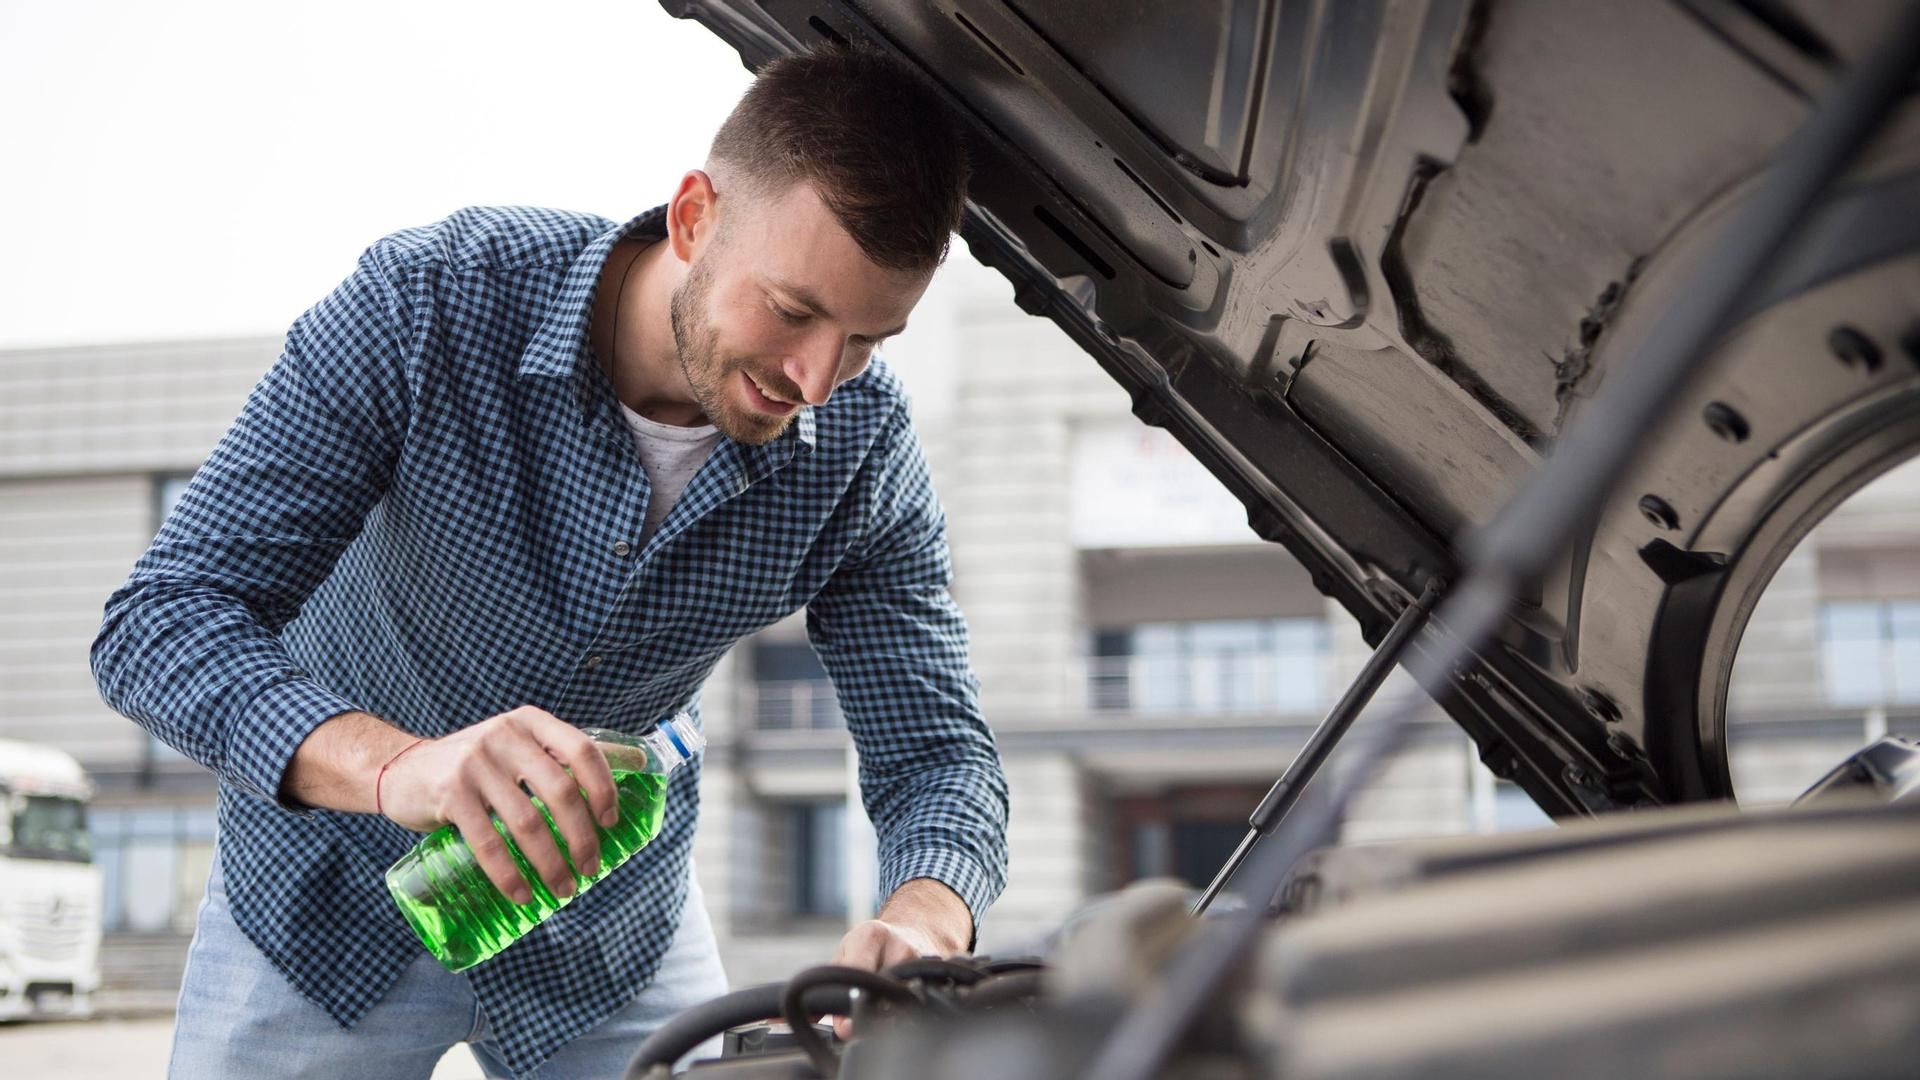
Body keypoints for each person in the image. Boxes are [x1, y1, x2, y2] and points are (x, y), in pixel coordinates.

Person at [90, 44, 1009, 1079]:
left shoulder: (861, 454)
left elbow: (938, 755)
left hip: (611, 941)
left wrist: (927, 918)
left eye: (865, 340)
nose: (815, 380)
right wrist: (401, 767)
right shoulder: (429, 306)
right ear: (695, 215)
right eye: (793, 312)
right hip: (323, 908)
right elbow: (160, 622)